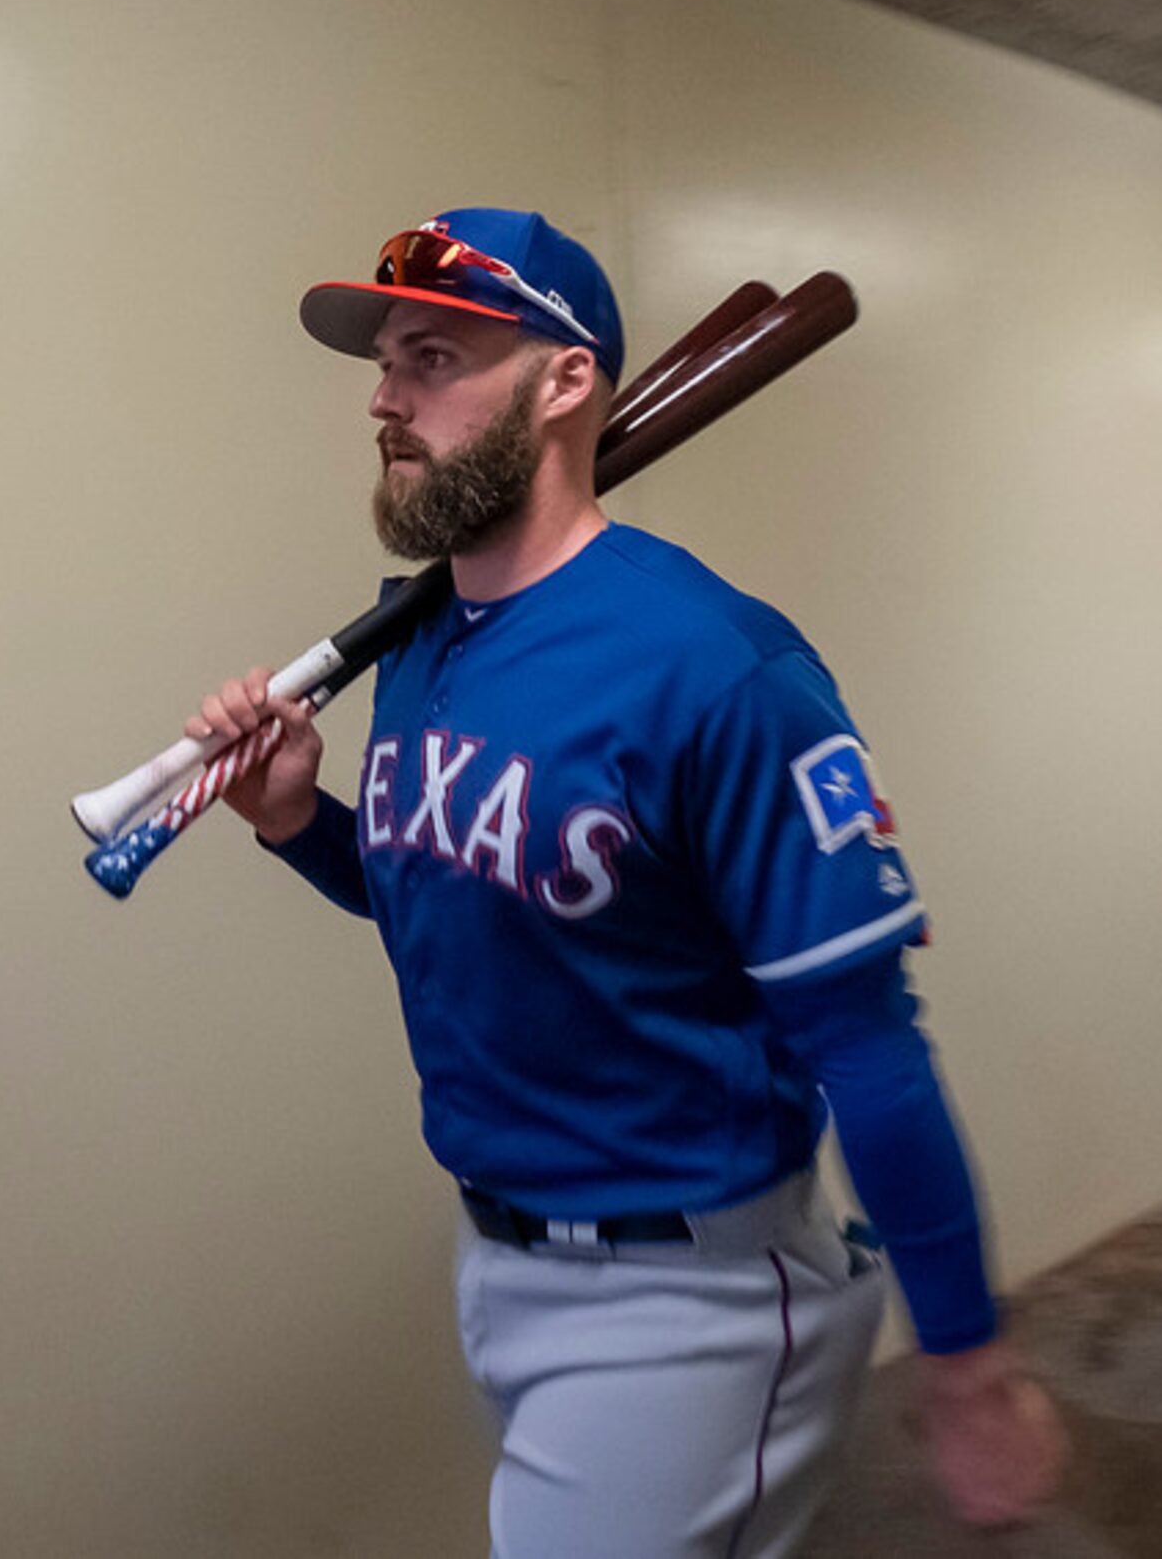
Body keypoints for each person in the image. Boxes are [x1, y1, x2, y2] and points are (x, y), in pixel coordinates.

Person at [190, 209, 1066, 1557]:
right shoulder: (427, 642)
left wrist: (968, 1362)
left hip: (688, 1294)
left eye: (433, 355)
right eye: (384, 361)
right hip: (500, 1251)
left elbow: (867, 1045)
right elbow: (458, 897)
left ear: (564, 379)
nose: (383, 395)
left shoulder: (720, 667)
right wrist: (301, 820)